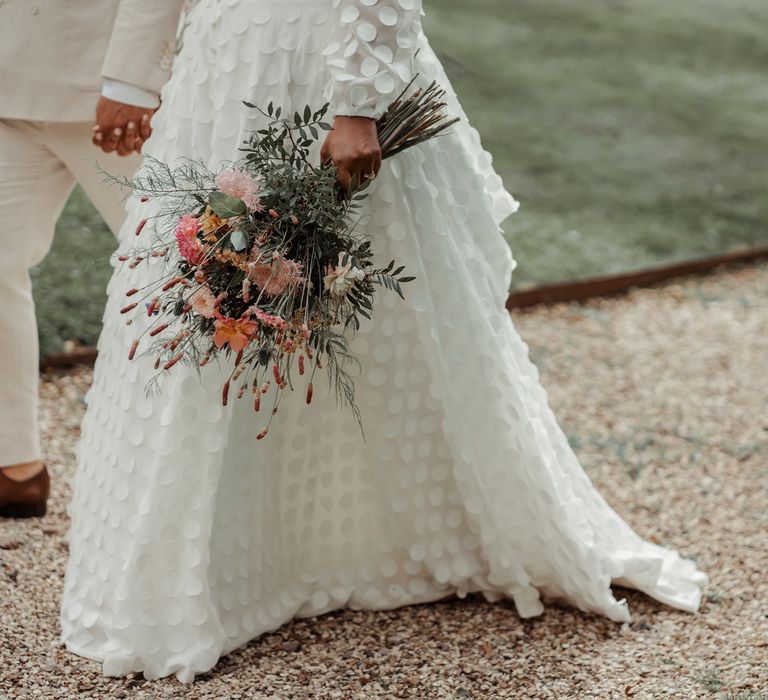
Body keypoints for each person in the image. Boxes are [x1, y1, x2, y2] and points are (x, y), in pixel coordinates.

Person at [60, 0, 707, 682]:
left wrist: (358, 103)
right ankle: (221, 567)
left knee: (372, 307)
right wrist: (128, 81)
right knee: (222, 300)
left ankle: (378, 536)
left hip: (326, 60)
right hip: (223, 69)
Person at [0, 0, 184, 518]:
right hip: (9, 75)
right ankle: (14, 465)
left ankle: (203, 477)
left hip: (106, 82)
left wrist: (131, 81)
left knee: (183, 274)